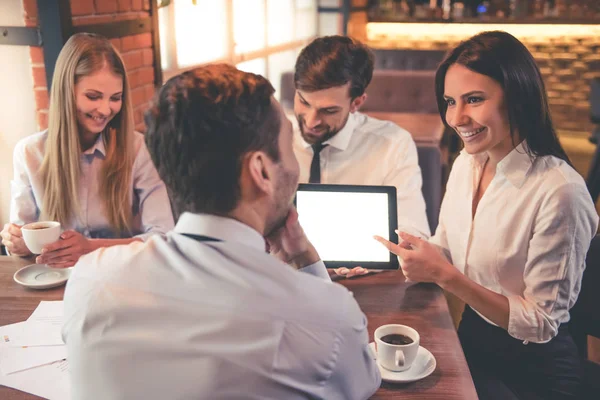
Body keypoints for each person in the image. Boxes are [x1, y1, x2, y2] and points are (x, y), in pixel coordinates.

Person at [62, 64, 381, 400]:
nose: (294, 165)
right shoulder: (328, 318)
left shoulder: (89, 280)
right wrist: (306, 260)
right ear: (260, 170)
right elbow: (362, 384)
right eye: (289, 146)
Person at [375, 31, 598, 399]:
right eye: (450, 101)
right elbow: (445, 243)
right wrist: (414, 253)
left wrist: (445, 276)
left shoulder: (560, 191)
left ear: (517, 97)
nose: (457, 117)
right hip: (473, 339)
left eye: (474, 99)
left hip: (536, 371)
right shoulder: (468, 162)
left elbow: (541, 324)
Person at [0, 33, 173, 267]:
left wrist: (89, 248)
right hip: (56, 280)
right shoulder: (29, 153)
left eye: (115, 98)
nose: (105, 109)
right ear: (66, 92)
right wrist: (17, 243)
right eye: (93, 96)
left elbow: (163, 238)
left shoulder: (137, 148)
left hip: (121, 274)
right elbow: (22, 243)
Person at [292, 36, 430, 241]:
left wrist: (373, 256)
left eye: (329, 110)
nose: (312, 121)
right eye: (304, 102)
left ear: (356, 103)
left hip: (364, 270)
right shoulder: (272, 136)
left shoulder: (392, 145)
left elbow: (413, 234)